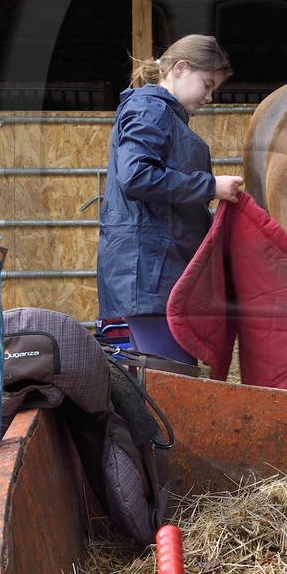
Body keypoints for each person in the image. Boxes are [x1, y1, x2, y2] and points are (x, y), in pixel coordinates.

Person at [97, 35, 242, 372]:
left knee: (161, 382)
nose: (209, 97)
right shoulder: (150, 108)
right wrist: (210, 186)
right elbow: (135, 176)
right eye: (206, 84)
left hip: (154, 273)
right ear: (179, 69)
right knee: (168, 381)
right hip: (147, 276)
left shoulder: (162, 114)